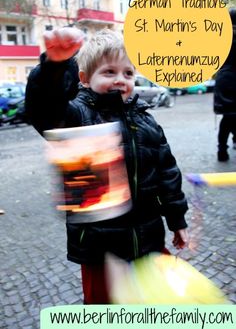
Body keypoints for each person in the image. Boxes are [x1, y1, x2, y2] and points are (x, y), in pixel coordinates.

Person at [25, 27, 189, 304]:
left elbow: (167, 175)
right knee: (105, 308)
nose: (120, 80)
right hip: (101, 247)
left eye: (128, 73)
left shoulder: (147, 122)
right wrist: (53, 67)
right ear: (84, 78)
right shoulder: (77, 115)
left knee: (154, 302)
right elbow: (45, 108)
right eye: (109, 72)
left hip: (148, 238)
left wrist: (177, 220)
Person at [214, 8, 236, 161]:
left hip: (224, 80)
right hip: (233, 79)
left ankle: (222, 150)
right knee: (232, 117)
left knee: (227, 117)